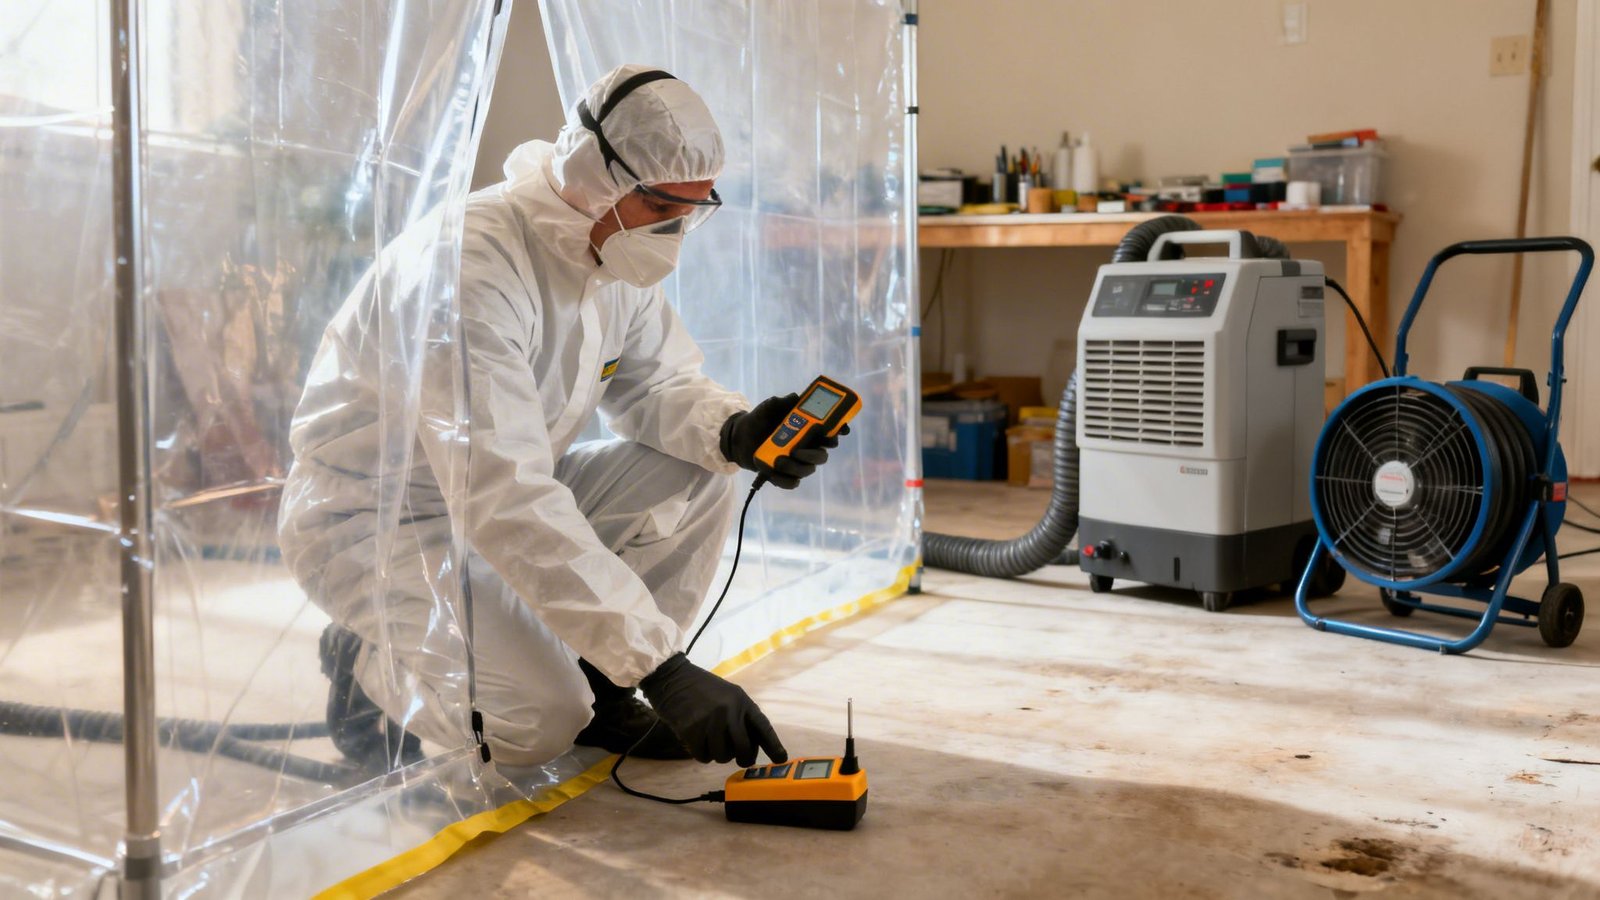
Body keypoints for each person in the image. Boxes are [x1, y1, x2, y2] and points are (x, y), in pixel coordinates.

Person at [278, 64, 844, 771]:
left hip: (488, 500)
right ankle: (366, 662)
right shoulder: (469, 270)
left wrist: (732, 432)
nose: (679, 230)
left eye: (696, 209)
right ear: (598, 179)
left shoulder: (608, 256)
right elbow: (504, 491)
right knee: (536, 725)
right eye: (667, 207)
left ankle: (605, 692)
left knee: (700, 469)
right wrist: (661, 667)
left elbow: (656, 384)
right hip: (379, 523)